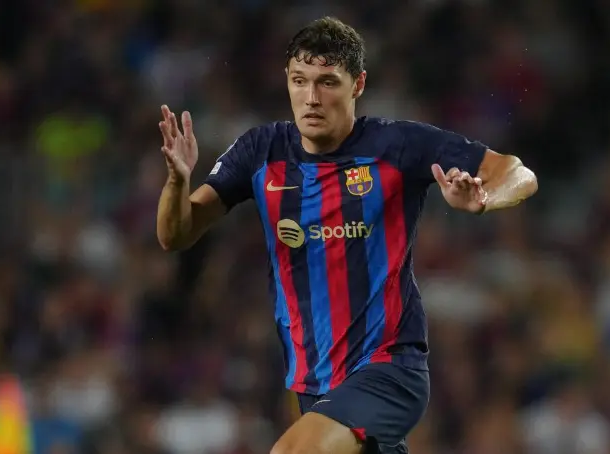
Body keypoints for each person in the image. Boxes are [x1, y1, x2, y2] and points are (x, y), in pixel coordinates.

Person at [154, 16, 537, 454]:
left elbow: (517, 173)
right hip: (312, 383)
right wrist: (177, 182)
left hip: (388, 368)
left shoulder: (396, 145)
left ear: (358, 84)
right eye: (300, 81)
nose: (311, 98)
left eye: (327, 82)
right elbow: (175, 235)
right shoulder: (261, 152)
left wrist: (484, 197)